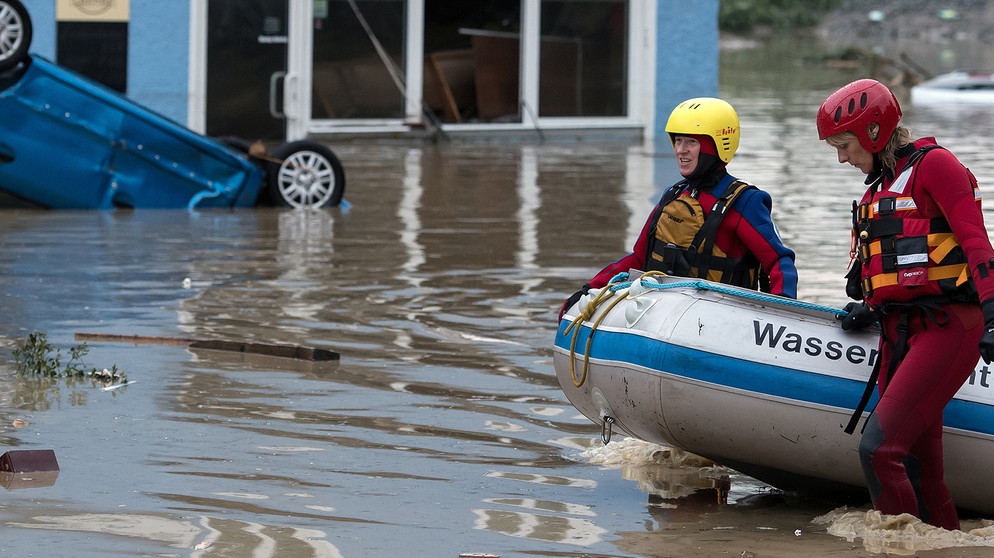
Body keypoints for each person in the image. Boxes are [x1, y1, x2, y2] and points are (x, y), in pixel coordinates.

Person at [817, 78, 994, 530]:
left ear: (875, 132)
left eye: (844, 145)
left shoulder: (937, 167)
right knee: (922, 472)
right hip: (900, 334)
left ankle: (899, 546)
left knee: (878, 450)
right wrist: (874, 307)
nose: (841, 158)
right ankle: (944, 544)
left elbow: (977, 245)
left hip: (949, 327)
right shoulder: (878, 190)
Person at [559, 97, 798, 320]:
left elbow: (779, 263)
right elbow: (639, 259)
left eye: (692, 142)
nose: (680, 150)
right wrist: (589, 290)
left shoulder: (745, 202)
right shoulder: (673, 195)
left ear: (717, 146)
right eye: (678, 140)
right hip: (663, 318)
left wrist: (782, 313)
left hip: (719, 320)